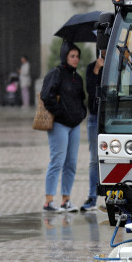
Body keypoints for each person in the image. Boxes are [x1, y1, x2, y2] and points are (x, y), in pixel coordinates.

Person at [41, 41, 87, 213]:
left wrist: (81, 113)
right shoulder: (56, 73)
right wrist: (60, 113)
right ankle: (48, 201)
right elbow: (47, 96)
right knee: (57, 161)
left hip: (74, 125)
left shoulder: (78, 78)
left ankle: (66, 200)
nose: (75, 59)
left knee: (71, 163)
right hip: (59, 125)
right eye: (72, 56)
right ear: (65, 57)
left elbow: (82, 98)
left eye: (77, 56)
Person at [80, 47, 105, 212]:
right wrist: (97, 69)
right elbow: (90, 90)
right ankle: (92, 197)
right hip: (95, 117)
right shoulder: (91, 67)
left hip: (113, 117)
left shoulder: (119, 64)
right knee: (94, 160)